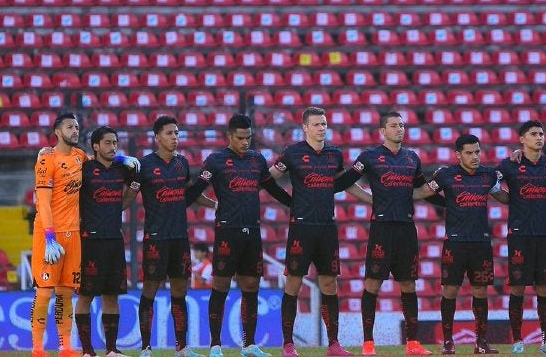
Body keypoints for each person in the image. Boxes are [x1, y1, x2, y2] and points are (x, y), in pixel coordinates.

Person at [332, 111, 441, 356]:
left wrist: (451, 198)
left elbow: (422, 191)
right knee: (373, 283)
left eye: (402, 125)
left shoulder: (412, 158)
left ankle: (413, 343)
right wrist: (370, 198)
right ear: (382, 131)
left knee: (409, 284)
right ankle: (368, 343)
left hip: (406, 228)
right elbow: (345, 182)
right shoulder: (370, 157)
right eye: (394, 126)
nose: (399, 129)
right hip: (381, 228)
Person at [187, 114, 293, 357]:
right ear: (229, 136)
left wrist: (293, 203)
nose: (245, 142)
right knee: (221, 285)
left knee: (251, 286)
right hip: (227, 231)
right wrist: (178, 203)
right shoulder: (215, 161)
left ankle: (249, 345)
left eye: (248, 137)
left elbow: (272, 188)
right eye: (240, 138)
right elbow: (196, 189)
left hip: (252, 231)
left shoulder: (256, 160)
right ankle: (215, 345)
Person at [269, 107, 371, 357]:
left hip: (327, 226)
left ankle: (333, 344)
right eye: (316, 124)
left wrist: (373, 200)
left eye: (324, 124)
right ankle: (288, 344)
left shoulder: (334, 153)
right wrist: (288, 200)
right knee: (293, 282)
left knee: (329, 283)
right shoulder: (292, 153)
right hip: (301, 227)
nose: (321, 128)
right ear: (305, 127)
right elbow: (267, 178)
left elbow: (343, 185)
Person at [124, 116, 213, 357]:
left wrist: (215, 205)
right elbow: (128, 199)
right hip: (156, 237)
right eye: (170, 133)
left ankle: (182, 348)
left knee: (179, 291)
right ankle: (145, 348)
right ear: (157, 137)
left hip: (179, 237)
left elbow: (190, 193)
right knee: (150, 289)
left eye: (177, 133)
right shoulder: (143, 166)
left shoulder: (182, 163)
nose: (175, 137)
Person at [413, 134, 503, 355]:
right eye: (469, 153)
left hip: (481, 242)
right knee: (450, 290)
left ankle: (481, 342)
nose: (474, 157)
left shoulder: (489, 175)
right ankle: (448, 341)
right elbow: (423, 192)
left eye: (477, 152)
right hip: (454, 242)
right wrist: (395, 194)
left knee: (481, 291)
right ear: (458, 155)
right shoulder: (445, 175)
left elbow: (502, 196)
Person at [493, 121, 546, 354]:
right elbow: (490, 181)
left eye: (541, 133)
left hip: (544, 235)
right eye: (533, 134)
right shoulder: (510, 165)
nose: (539, 137)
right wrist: (505, 198)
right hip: (519, 235)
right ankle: (518, 340)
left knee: (544, 289)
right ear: (522, 139)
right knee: (517, 288)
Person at [75, 126, 139, 357]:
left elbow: (136, 184)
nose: (113, 147)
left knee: (112, 295)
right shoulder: (85, 170)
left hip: (114, 239)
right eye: (108, 143)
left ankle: (111, 349)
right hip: (90, 241)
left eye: (115, 143)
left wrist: (124, 202)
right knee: (86, 294)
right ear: (95, 146)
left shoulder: (123, 169)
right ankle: (87, 350)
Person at [31, 113, 88, 357]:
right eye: (69, 127)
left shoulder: (79, 156)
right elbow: (43, 202)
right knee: (44, 291)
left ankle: (65, 347)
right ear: (57, 131)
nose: (75, 130)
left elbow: (98, 160)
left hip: (73, 233)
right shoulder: (46, 160)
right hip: (48, 234)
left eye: (76, 127)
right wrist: (50, 237)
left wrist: (120, 157)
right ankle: (37, 348)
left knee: (66, 292)